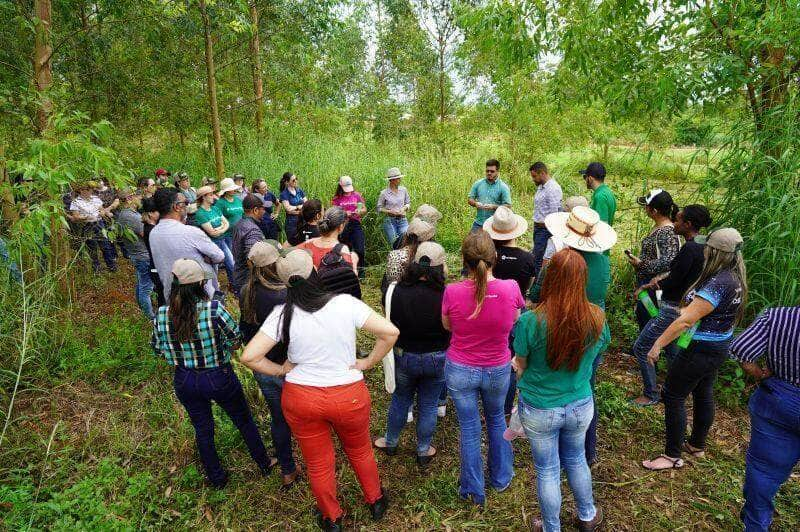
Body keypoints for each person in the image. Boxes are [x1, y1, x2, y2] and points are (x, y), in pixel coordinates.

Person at [240, 249, 398, 531]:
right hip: (348, 394)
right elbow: (390, 332)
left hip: (302, 398)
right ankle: (375, 500)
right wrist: (368, 362)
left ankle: (332, 518)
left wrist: (281, 370)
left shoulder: (281, 314)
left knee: (318, 463)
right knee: (360, 450)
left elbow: (249, 356)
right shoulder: (345, 304)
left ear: (285, 281)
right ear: (315, 272)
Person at [151, 258, 277, 488]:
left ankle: (217, 478)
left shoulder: (161, 314)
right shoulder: (214, 309)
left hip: (184, 379)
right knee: (244, 420)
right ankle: (264, 462)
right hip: (218, 376)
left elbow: (158, 349)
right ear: (200, 285)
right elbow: (236, 341)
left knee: (203, 429)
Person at [513, 248, 610, 532]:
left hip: (540, 406)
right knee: (577, 458)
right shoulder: (597, 317)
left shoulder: (530, 321)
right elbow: (596, 354)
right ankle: (587, 514)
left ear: (550, 277)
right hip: (580, 402)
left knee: (547, 469)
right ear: (583, 279)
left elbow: (521, 362)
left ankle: (551, 527)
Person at [643, 228, 747, 470]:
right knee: (703, 391)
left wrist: (658, 344)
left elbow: (686, 321)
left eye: (706, 247)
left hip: (700, 348)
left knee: (673, 394)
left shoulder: (718, 283)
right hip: (718, 345)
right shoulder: (734, 277)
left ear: (714, 252)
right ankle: (697, 445)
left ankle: (671, 455)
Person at [442, 230, 524, 506]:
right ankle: (501, 478)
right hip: (497, 368)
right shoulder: (511, 288)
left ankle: (472, 490)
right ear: (495, 258)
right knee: (497, 419)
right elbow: (515, 321)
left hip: (461, 367)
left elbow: (448, 326)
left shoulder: (452, 291)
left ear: (464, 260)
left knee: (469, 428)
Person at [537, 205, 617, 465]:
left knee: (556, 382)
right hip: (593, 329)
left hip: (562, 327)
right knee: (585, 387)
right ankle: (586, 450)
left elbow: (540, 292)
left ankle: (558, 444)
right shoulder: (603, 261)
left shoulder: (564, 261)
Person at [373, 242, 450, 466]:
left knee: (400, 398)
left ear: (414, 264)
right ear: (440, 267)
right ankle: (423, 450)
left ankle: (391, 441)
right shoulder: (446, 293)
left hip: (405, 355)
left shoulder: (394, 290)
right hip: (437, 357)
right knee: (428, 404)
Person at [631, 205, 712, 406]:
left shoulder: (688, 248)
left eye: (678, 220)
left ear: (688, 224)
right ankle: (674, 392)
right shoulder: (705, 247)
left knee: (642, 347)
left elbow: (675, 279)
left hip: (672, 308)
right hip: (691, 311)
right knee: (676, 350)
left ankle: (651, 393)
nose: (674, 224)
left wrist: (651, 284)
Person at [729, 306, 800, 532]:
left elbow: (741, 349)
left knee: (763, 472)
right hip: (781, 403)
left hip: (780, 401)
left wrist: (760, 374)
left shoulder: (779, 316)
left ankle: (756, 525)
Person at [238, 241, 301, 489]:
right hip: (290, 365)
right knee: (303, 417)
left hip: (263, 366)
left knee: (279, 418)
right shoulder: (285, 294)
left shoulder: (246, 291)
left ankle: (287, 468)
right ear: (276, 263)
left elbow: (246, 329)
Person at [483, 206, 534, 416]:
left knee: (488, 354)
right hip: (514, 313)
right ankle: (504, 408)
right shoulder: (527, 258)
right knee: (512, 360)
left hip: (488, 310)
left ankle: (486, 397)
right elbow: (528, 287)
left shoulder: (488, 257)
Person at [148, 187, 224, 300]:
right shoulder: (191, 232)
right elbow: (219, 256)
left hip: (172, 297)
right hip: (201, 296)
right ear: (177, 206)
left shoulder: (153, 233)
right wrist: (208, 258)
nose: (188, 206)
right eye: (186, 203)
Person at [627, 189, 681, 333]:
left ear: (654, 210)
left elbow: (670, 261)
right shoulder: (659, 228)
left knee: (651, 317)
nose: (645, 208)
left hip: (654, 286)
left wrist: (641, 264)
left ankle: (647, 348)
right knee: (644, 314)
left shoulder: (667, 232)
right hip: (646, 283)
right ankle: (643, 346)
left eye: (646, 205)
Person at [115, 187, 154, 318]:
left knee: (141, 284)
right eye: (136, 195)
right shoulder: (130, 217)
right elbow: (147, 235)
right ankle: (149, 317)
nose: (140, 198)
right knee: (146, 289)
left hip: (138, 255)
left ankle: (144, 313)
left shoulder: (126, 214)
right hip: (142, 256)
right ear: (129, 199)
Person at [68, 181, 118, 273]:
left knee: (105, 245)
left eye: (89, 189)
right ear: (80, 190)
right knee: (92, 247)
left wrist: (103, 213)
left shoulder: (95, 199)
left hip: (99, 223)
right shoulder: (76, 202)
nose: (88, 191)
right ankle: (97, 268)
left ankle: (111, 265)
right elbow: (75, 216)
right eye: (85, 189)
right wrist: (85, 217)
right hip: (87, 225)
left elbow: (102, 210)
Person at [194, 186, 235, 287]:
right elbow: (212, 233)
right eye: (211, 195)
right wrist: (222, 227)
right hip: (210, 245)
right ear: (203, 197)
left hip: (221, 241)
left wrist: (219, 228)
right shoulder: (200, 213)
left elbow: (227, 223)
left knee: (231, 263)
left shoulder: (215, 209)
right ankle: (213, 292)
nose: (214, 197)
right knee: (213, 270)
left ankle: (234, 286)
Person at [296, 207, 358, 271]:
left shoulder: (308, 243)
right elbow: (351, 279)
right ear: (341, 226)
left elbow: (289, 256)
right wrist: (354, 262)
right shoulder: (342, 250)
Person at [530, 162, 562, 279]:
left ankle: (537, 287)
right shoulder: (541, 187)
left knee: (538, 260)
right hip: (539, 229)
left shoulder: (552, 189)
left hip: (545, 230)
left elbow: (555, 215)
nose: (533, 179)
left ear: (542, 173)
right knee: (536, 257)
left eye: (534, 176)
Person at [332, 176, 367, 278]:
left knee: (360, 249)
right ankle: (346, 272)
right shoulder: (336, 199)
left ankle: (361, 273)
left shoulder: (357, 195)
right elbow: (334, 212)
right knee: (345, 250)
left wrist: (359, 211)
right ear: (340, 186)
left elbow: (364, 208)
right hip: (342, 226)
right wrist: (344, 213)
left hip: (355, 224)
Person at [230, 195, 266, 294]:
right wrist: (260, 280)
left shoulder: (239, 223)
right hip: (248, 281)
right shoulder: (253, 230)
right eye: (263, 209)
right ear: (255, 210)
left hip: (239, 274)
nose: (264, 212)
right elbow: (252, 258)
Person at [384, 218, 435, 284]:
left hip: (400, 291)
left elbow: (392, 281)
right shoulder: (433, 256)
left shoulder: (395, 255)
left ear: (406, 236)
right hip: (424, 291)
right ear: (430, 239)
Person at [467, 159, 511, 233]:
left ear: (497, 171)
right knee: (470, 243)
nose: (489, 173)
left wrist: (493, 207)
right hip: (479, 223)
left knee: (492, 245)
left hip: (495, 225)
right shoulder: (478, 184)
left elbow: (508, 206)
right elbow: (470, 199)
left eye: (492, 171)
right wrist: (475, 203)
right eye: (487, 171)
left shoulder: (503, 187)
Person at [377, 167, 411, 246]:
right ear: (391, 180)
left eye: (399, 178)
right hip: (389, 221)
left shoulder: (403, 190)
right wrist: (390, 211)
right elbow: (379, 208)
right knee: (394, 243)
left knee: (406, 241)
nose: (400, 180)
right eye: (397, 178)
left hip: (402, 220)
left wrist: (404, 208)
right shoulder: (384, 193)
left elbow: (408, 203)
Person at [141, 197, 165, 307]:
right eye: (157, 211)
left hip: (158, 266)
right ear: (150, 214)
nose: (159, 213)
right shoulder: (150, 230)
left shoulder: (153, 227)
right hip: (157, 268)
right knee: (163, 296)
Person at [580, 162, 616, 228]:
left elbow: (602, 224)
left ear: (590, 178)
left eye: (585, 177)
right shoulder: (607, 191)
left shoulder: (600, 197)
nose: (584, 180)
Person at [215, 177, 245, 252]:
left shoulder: (238, 200)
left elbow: (243, 214)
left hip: (240, 233)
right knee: (233, 257)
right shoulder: (220, 203)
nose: (234, 190)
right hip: (228, 235)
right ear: (226, 191)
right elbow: (217, 220)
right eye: (231, 188)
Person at [279, 172, 306, 242]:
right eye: (293, 180)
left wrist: (296, 208)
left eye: (296, 179)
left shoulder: (299, 190)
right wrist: (298, 207)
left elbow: (306, 203)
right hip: (292, 222)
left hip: (302, 219)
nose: (296, 181)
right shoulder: (284, 194)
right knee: (293, 241)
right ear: (287, 182)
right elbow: (288, 209)